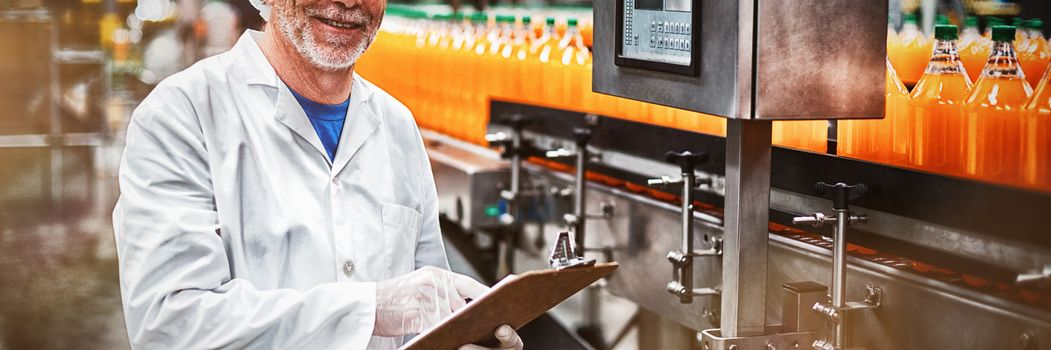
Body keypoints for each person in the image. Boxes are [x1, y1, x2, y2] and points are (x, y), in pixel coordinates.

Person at [113, 0, 524, 349]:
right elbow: (168, 324)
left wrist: (462, 336)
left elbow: (427, 316)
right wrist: (370, 310)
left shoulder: (397, 125)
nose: (348, 2)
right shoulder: (182, 116)